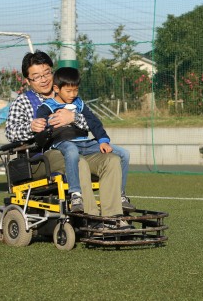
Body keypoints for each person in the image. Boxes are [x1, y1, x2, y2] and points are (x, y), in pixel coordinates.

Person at [5, 51, 131, 221]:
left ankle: (113, 217)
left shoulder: (70, 95)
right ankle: (91, 218)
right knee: (79, 162)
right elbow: (10, 132)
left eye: (47, 73)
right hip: (42, 157)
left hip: (80, 147)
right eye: (36, 76)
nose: (44, 79)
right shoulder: (23, 102)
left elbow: (94, 122)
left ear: (53, 72)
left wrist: (74, 118)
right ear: (28, 80)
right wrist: (31, 126)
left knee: (113, 159)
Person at [34, 66, 132, 213]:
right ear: (56, 88)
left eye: (76, 90)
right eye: (68, 91)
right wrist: (44, 124)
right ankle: (76, 194)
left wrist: (103, 140)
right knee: (72, 151)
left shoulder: (79, 104)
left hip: (85, 143)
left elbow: (93, 122)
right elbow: (41, 132)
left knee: (123, 154)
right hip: (63, 143)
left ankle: (120, 195)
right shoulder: (47, 107)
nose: (73, 94)